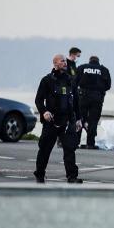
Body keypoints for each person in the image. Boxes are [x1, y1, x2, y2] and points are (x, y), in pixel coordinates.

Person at [34, 54, 83, 184]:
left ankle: (72, 176)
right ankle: (40, 174)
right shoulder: (47, 80)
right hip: (52, 121)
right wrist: (44, 112)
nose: (65, 63)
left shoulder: (71, 80)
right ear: (55, 63)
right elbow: (38, 100)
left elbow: (76, 102)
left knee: (70, 149)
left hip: (67, 121)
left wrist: (79, 119)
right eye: (62, 61)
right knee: (45, 149)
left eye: (65, 61)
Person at [76, 55, 111, 149]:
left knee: (79, 118)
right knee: (93, 121)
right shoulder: (104, 70)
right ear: (98, 61)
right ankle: (90, 143)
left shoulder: (82, 67)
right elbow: (108, 85)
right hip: (97, 98)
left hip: (82, 97)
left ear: (89, 61)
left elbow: (74, 81)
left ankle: (76, 141)